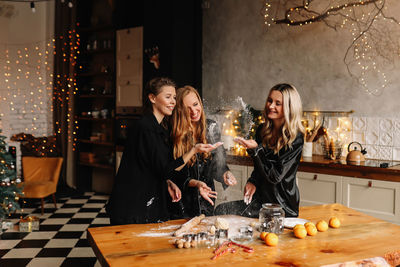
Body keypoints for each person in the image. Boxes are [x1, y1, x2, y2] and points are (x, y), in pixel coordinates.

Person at [106, 78, 220, 225]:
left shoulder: (158, 129)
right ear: (152, 98)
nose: (172, 101)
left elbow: (157, 168)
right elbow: (166, 169)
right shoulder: (146, 128)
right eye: (167, 97)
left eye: (174, 97)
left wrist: (168, 182)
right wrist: (193, 150)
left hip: (145, 204)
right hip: (131, 206)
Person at [215, 83, 304, 218]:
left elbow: (275, 176)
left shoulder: (295, 137)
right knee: (222, 209)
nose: (271, 106)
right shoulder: (262, 130)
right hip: (261, 201)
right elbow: (259, 168)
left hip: (282, 206)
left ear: (289, 108)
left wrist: (256, 150)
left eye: (277, 103)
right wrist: (253, 181)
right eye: (269, 100)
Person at [171, 85, 237, 217]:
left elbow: (218, 163)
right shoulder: (174, 133)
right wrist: (196, 183)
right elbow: (173, 173)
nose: (194, 111)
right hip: (181, 201)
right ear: (179, 111)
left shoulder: (211, 127)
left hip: (206, 198)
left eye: (195, 104)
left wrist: (225, 173)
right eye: (186, 109)